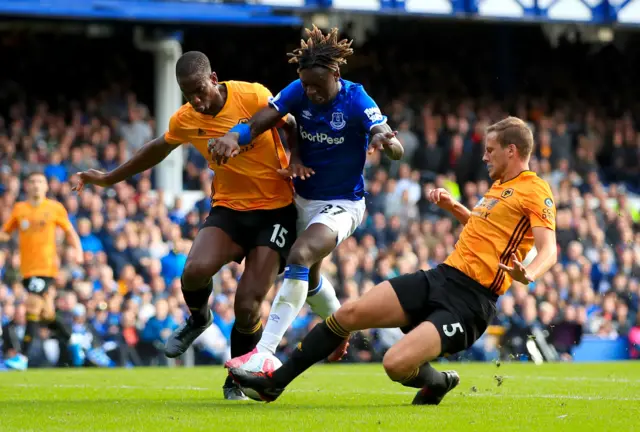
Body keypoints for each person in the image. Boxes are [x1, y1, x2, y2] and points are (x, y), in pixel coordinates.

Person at [228, 116, 558, 405]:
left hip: (471, 303)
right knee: (348, 313)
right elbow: (486, 230)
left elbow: (549, 249)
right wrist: (456, 210)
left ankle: (438, 382)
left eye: (490, 150)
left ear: (512, 151)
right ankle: (275, 383)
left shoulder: (534, 189)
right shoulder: (500, 187)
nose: (484, 156)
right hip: (442, 277)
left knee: (395, 364)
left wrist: (528, 272)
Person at [73, 51, 344, 400]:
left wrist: (295, 158)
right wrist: (109, 179)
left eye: (200, 90)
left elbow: (290, 124)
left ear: (214, 79)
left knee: (247, 306)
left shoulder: (252, 96)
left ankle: (236, 380)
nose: (197, 100)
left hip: (275, 212)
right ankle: (199, 319)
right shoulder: (187, 119)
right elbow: (158, 148)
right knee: (194, 271)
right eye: (189, 95)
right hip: (229, 210)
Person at [213, 25, 404, 369]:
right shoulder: (298, 91)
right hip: (300, 200)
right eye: (306, 84)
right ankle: (339, 330)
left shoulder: (356, 99)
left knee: (299, 257)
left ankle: (265, 354)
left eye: (318, 84)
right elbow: (261, 121)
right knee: (310, 279)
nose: (311, 91)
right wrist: (233, 136)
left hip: (342, 204)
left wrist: (387, 141)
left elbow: (390, 140)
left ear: (336, 73)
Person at [0, 172, 84, 370]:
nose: (36, 185)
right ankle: (72, 339)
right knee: (46, 313)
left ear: (46, 187)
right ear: (27, 186)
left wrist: (78, 251)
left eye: (40, 182)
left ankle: (23, 357)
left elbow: (69, 231)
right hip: (27, 269)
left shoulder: (54, 208)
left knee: (32, 305)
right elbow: (6, 232)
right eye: (32, 181)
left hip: (46, 268)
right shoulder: (20, 209)